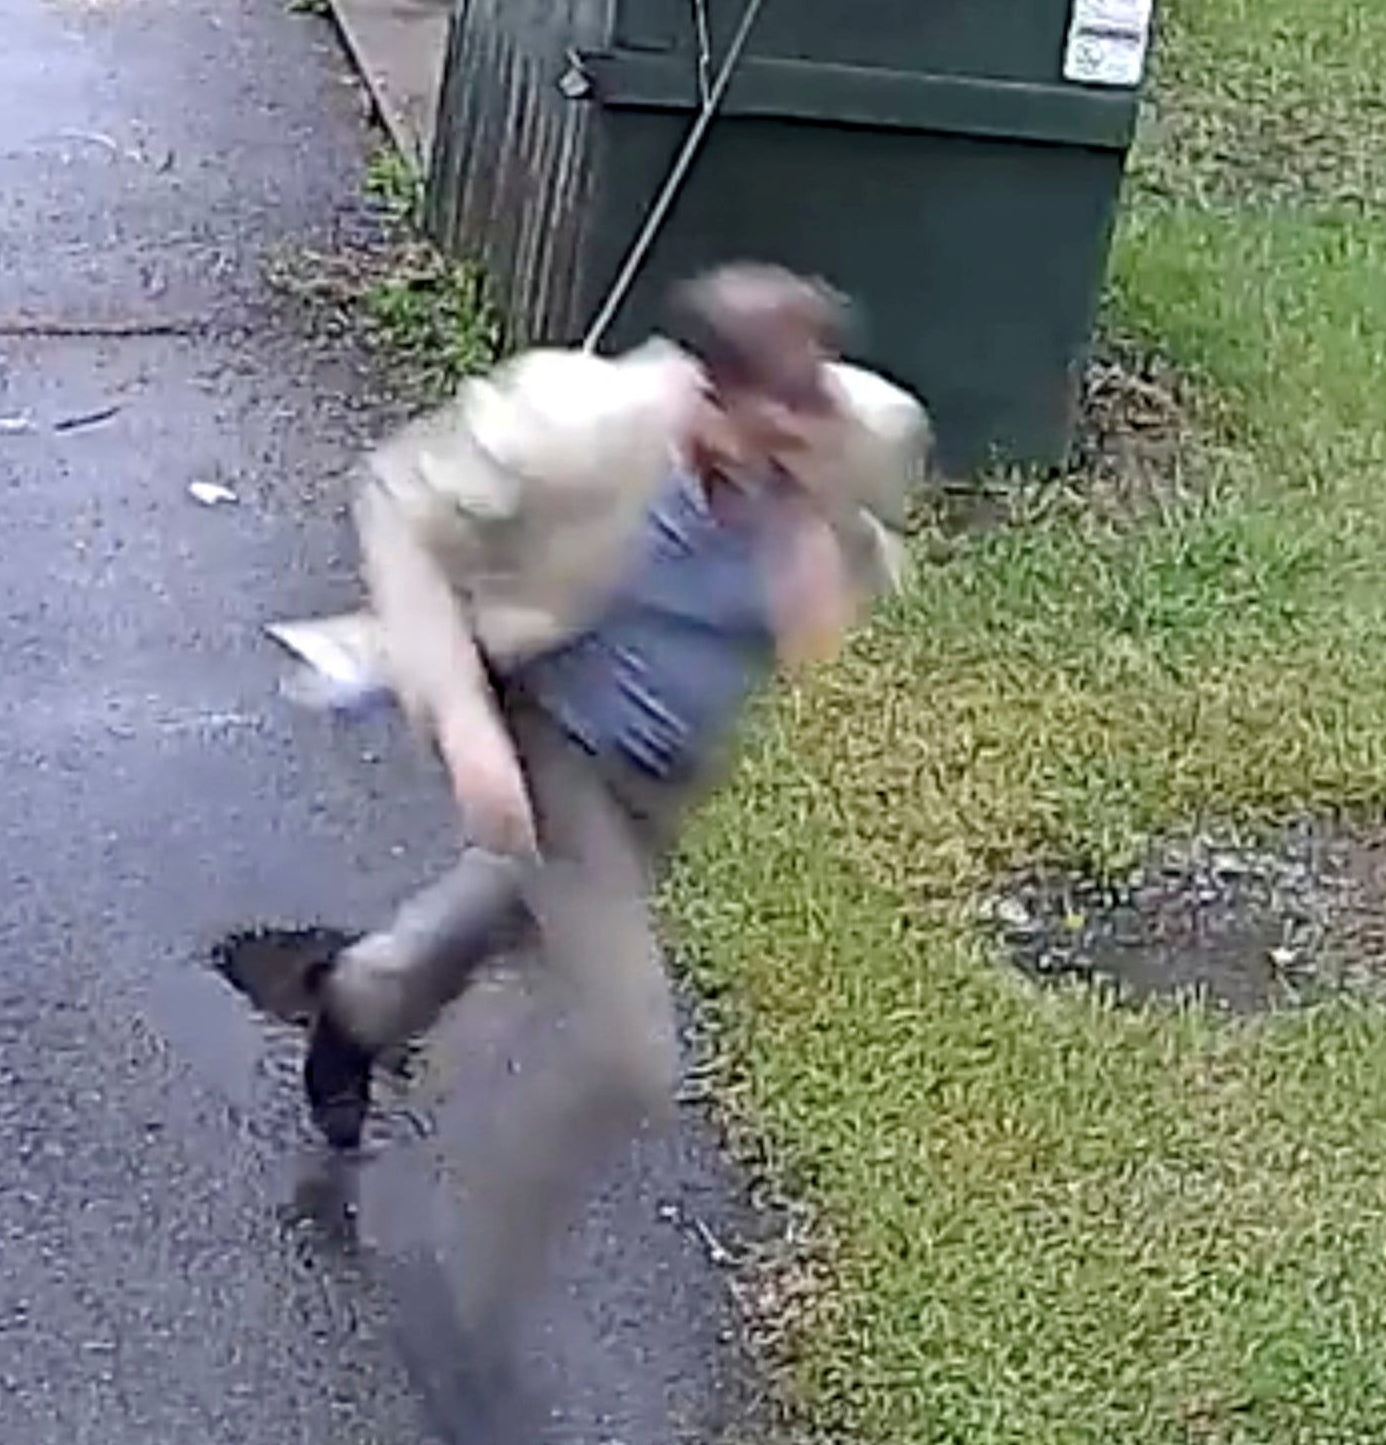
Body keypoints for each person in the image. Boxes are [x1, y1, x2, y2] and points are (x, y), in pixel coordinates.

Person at [265, 264, 930, 1436]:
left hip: (662, 781)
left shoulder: (855, 440)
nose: (793, 442)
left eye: (808, 416)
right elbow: (395, 504)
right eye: (765, 425)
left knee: (506, 911)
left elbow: (837, 592)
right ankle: (462, 1309)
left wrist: (819, 532)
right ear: (703, 400)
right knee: (631, 1059)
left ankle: (363, 999)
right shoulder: (575, 433)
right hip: (552, 746)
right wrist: (463, 720)